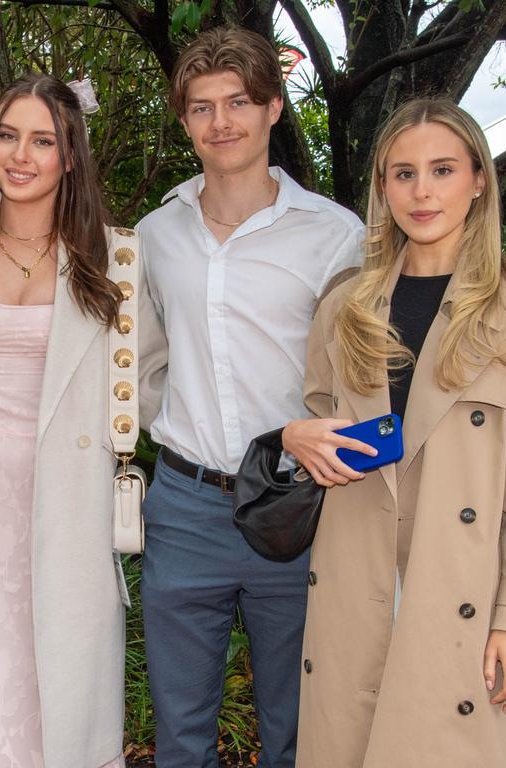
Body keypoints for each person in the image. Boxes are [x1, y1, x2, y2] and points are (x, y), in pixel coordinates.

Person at [285, 98, 506, 767]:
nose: (422, 192)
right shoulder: (345, 307)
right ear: (382, 187)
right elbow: (319, 428)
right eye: (403, 174)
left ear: (479, 179)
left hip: (462, 588)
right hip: (355, 579)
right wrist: (297, 438)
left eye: (443, 169)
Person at [0, 72, 157, 767]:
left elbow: (151, 384)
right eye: (8, 135)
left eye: (42, 140)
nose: (21, 155)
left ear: (69, 156)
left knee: (54, 692)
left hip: (65, 507)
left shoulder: (119, 262)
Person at [135, 26, 364, 768]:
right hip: (185, 507)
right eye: (201, 108)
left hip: (298, 506)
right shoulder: (153, 235)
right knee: (181, 732)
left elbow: (361, 377)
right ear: (185, 122)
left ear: (271, 108)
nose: (221, 122)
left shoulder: (335, 236)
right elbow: (142, 361)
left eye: (238, 102)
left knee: (298, 728)